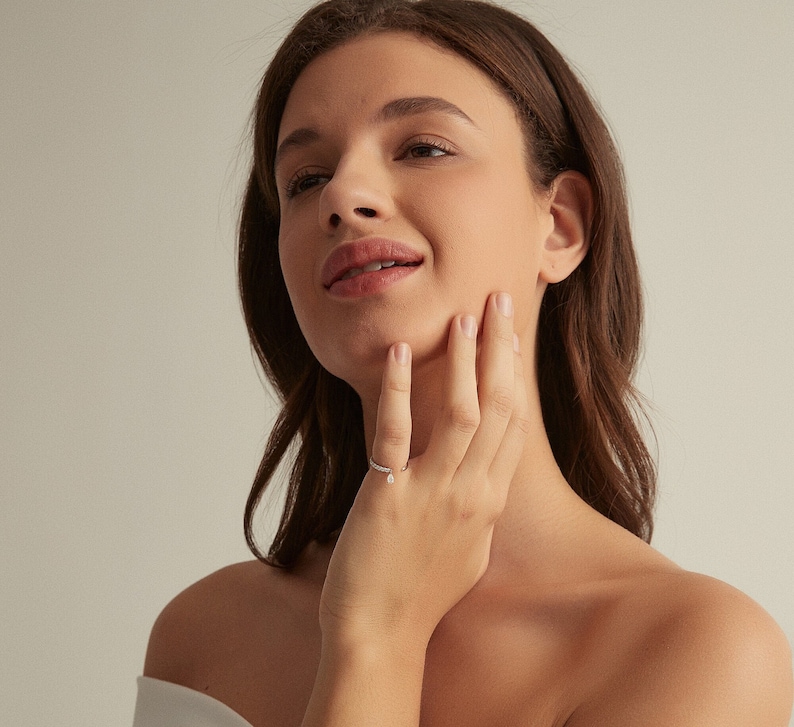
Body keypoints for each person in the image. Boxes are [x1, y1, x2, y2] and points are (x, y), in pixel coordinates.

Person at [134, 1, 793, 725]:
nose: (343, 196)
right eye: (304, 178)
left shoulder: (698, 652)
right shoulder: (204, 639)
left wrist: (381, 633)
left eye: (423, 147)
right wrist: (374, 630)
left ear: (561, 225)